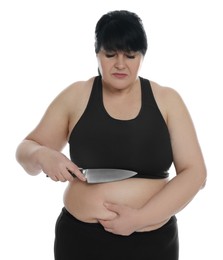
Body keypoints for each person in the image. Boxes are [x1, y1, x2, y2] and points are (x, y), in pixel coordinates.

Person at [15, 10, 207, 260]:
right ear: (97, 53)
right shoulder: (76, 96)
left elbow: (196, 173)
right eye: (110, 54)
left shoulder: (167, 100)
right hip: (80, 241)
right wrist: (42, 155)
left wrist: (139, 219)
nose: (120, 64)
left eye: (130, 55)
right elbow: (25, 149)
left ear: (141, 57)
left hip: (152, 243)